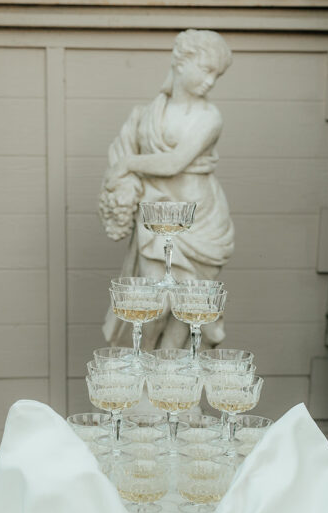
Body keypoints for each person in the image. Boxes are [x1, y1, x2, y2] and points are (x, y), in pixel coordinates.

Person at [99, 29, 235, 352]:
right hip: (155, 214)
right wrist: (122, 180)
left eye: (217, 74)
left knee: (190, 310)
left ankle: (172, 377)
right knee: (155, 301)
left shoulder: (209, 116)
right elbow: (118, 158)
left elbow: (175, 161)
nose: (211, 81)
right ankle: (143, 370)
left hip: (201, 221)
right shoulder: (145, 115)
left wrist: (129, 163)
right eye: (206, 69)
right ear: (181, 62)